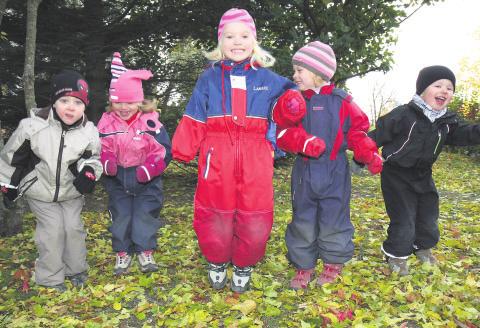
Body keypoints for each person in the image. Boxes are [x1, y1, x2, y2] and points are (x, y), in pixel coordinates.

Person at [171, 8, 303, 293]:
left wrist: (272, 139)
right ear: (220, 42)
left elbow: (288, 109)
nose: (237, 41)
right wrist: (183, 148)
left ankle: (245, 263)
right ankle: (217, 261)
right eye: (229, 36)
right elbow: (195, 114)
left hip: (256, 157)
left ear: (254, 41)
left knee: (255, 216)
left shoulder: (270, 80)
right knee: (214, 215)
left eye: (244, 35)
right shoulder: (208, 79)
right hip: (216, 156)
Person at [272, 41, 383, 290]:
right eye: (295, 70)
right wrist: (302, 141)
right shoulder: (295, 102)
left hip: (335, 170)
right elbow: (284, 133)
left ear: (318, 72)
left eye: (300, 70)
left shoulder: (342, 101)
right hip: (305, 172)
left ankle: (333, 261)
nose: (295, 75)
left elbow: (358, 132)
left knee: (335, 216)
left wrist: (369, 154)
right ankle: (304, 264)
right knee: (303, 217)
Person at [369, 65, 480, 275]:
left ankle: (423, 248)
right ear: (422, 90)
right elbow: (378, 134)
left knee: (428, 216)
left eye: (449, 88)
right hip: (396, 174)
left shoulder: (447, 122)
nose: (444, 90)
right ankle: (396, 255)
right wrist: (361, 155)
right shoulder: (405, 114)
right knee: (404, 217)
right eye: (438, 85)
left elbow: (468, 133)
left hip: (423, 174)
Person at [0, 70, 102, 292]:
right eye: (64, 100)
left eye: (77, 102)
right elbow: (11, 157)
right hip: (39, 190)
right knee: (53, 230)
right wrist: (7, 185)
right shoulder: (32, 127)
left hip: (70, 192)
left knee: (73, 228)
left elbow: (93, 159)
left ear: (85, 106)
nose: (71, 107)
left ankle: (76, 270)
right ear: (54, 102)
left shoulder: (89, 132)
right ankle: (50, 277)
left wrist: (89, 174)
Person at [97, 53, 171, 275]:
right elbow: (101, 146)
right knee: (120, 215)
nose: (124, 106)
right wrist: (107, 161)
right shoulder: (106, 122)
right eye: (118, 102)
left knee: (144, 215)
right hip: (118, 179)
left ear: (139, 101)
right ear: (112, 102)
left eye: (129, 101)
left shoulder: (150, 122)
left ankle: (145, 250)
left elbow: (163, 150)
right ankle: (122, 252)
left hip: (146, 179)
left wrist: (150, 168)